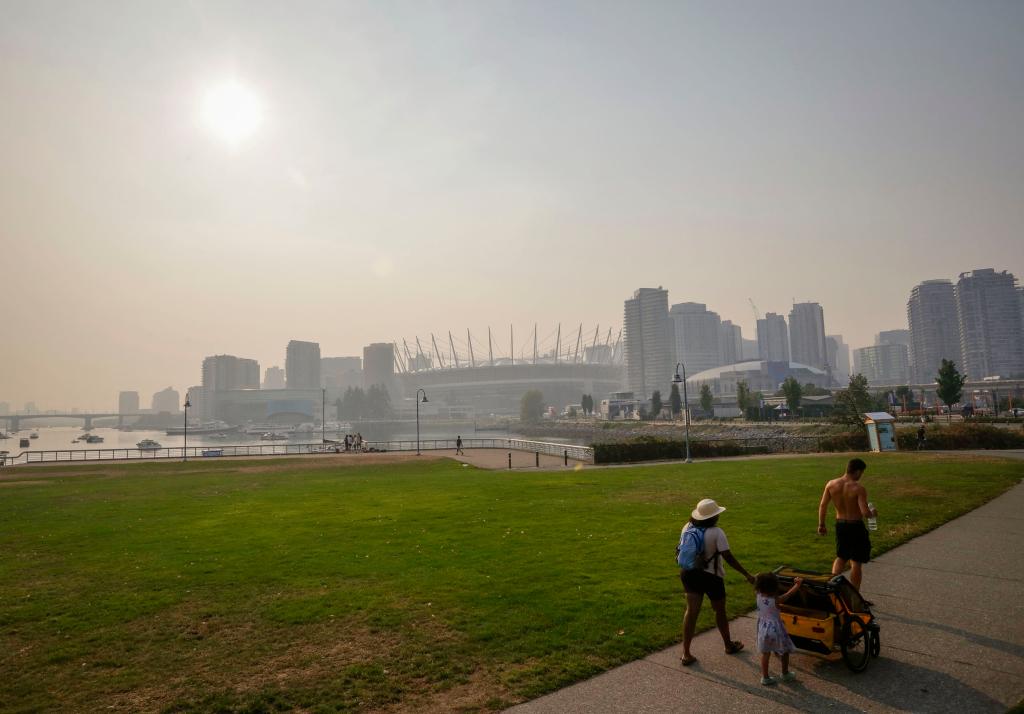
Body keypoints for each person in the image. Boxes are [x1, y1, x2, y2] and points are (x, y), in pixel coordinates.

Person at [679, 498, 756, 667]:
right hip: (711, 577)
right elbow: (728, 557)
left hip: (689, 574)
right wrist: (747, 574)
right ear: (713, 517)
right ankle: (728, 645)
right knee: (719, 610)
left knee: (691, 612)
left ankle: (686, 653)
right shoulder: (716, 532)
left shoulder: (687, 527)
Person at [817, 458, 876, 590]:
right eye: (861, 473)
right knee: (856, 562)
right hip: (855, 526)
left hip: (841, 525)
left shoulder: (831, 484)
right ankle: (855, 597)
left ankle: (832, 590)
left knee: (841, 557)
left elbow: (823, 505)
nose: (861, 476)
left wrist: (821, 524)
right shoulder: (858, 488)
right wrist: (873, 513)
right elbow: (865, 513)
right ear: (857, 471)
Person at [754, 573, 803, 686]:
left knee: (765, 653)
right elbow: (789, 594)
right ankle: (785, 674)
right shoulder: (776, 600)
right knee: (784, 651)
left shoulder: (758, 594)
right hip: (775, 629)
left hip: (763, 628)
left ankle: (765, 678)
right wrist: (797, 585)